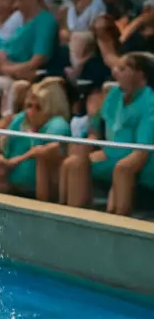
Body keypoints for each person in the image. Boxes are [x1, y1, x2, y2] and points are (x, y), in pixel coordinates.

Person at [62, 51, 154, 214]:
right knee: (73, 163)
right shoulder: (114, 94)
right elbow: (96, 132)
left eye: (122, 69)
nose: (115, 72)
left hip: (141, 158)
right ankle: (70, 217)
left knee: (121, 169)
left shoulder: (149, 102)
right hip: (110, 153)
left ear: (140, 74)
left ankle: (118, 223)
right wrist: (93, 117)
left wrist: (123, 164)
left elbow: (142, 150)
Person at [0, 78, 72, 201]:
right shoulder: (20, 118)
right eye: (29, 106)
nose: (31, 112)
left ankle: (41, 209)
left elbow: (53, 148)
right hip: (12, 181)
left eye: (38, 107)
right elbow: (2, 146)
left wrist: (17, 160)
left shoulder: (58, 123)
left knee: (42, 156)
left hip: (43, 189)